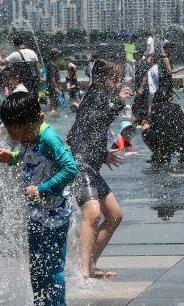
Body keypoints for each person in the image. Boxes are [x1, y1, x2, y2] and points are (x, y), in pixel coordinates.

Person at [0, 91, 78, 305]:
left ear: (40, 118)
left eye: (23, 132)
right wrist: (10, 157)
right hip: (37, 214)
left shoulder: (48, 138)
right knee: (37, 267)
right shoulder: (29, 135)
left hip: (55, 214)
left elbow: (70, 169)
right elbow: (28, 158)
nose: (20, 137)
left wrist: (43, 189)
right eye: (13, 133)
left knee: (52, 268)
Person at [66, 59, 132, 280]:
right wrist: (118, 102)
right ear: (99, 79)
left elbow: (81, 133)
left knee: (114, 215)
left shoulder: (99, 98)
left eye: (120, 78)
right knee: (93, 213)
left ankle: (90, 264)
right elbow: (94, 121)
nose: (119, 82)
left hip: (91, 167)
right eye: (115, 78)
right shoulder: (96, 96)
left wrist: (103, 154)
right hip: (80, 166)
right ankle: (83, 270)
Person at [142, 86, 184, 164]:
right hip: (178, 140)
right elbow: (182, 122)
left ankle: (157, 153)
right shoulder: (178, 107)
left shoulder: (152, 107)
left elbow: (152, 123)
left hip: (161, 141)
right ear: (170, 98)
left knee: (144, 127)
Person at [45, 48, 61, 116]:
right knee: (53, 100)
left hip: (51, 85)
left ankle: (53, 113)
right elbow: (52, 77)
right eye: (57, 53)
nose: (58, 55)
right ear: (54, 54)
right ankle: (52, 113)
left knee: (54, 100)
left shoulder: (51, 63)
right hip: (53, 85)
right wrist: (56, 87)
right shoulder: (52, 64)